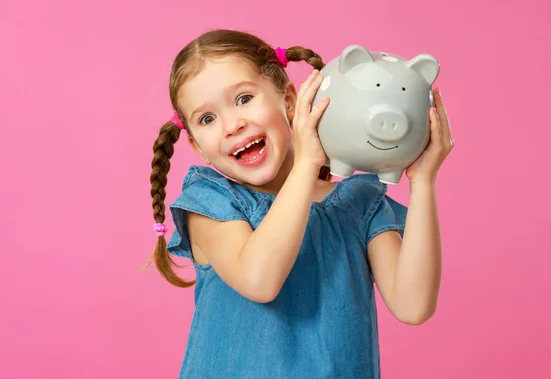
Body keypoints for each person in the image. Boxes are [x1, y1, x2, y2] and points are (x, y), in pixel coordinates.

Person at [148, 29, 454, 379]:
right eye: (207, 119)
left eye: (244, 98)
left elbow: (413, 305)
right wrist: (307, 164)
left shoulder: (355, 205)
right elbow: (259, 280)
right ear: (198, 146)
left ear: (290, 100)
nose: (232, 125)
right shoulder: (211, 204)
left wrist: (423, 181)